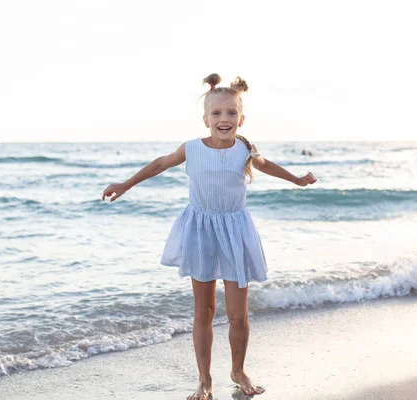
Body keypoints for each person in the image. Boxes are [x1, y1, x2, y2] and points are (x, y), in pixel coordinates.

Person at [102, 73, 317, 400]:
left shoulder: (244, 148)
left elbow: (266, 164)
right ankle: (204, 380)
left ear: (241, 118)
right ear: (205, 119)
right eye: (217, 114)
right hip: (201, 231)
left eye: (231, 113)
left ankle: (237, 369)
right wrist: (125, 184)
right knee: (203, 311)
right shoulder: (191, 149)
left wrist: (298, 180)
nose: (224, 119)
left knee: (238, 314)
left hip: (235, 232)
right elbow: (160, 163)